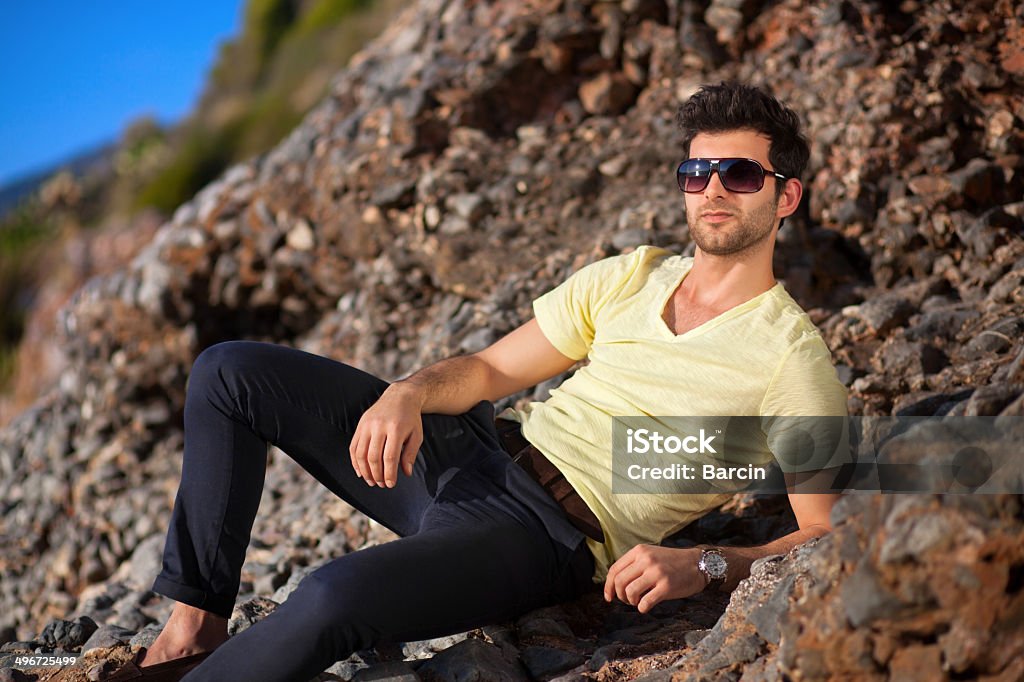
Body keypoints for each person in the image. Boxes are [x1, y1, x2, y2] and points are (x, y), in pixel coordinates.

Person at [105, 81, 847, 682]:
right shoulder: (635, 273)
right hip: (471, 449)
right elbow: (492, 369)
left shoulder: (789, 357)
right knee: (229, 372)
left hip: (540, 535)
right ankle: (192, 629)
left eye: (740, 173)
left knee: (332, 594)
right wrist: (409, 393)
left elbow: (820, 528)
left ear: (785, 197)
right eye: (696, 172)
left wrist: (706, 562)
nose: (712, 189)